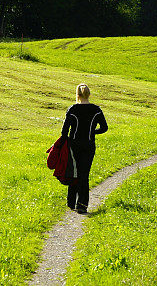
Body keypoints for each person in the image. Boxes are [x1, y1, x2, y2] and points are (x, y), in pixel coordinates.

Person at [61, 83, 108, 214]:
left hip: (74, 145)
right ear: (89, 94)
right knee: (84, 174)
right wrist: (93, 132)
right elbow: (104, 128)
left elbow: (64, 131)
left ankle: (71, 203)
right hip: (89, 145)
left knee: (73, 172)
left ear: (77, 94)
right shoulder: (96, 110)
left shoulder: (73, 109)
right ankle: (82, 205)